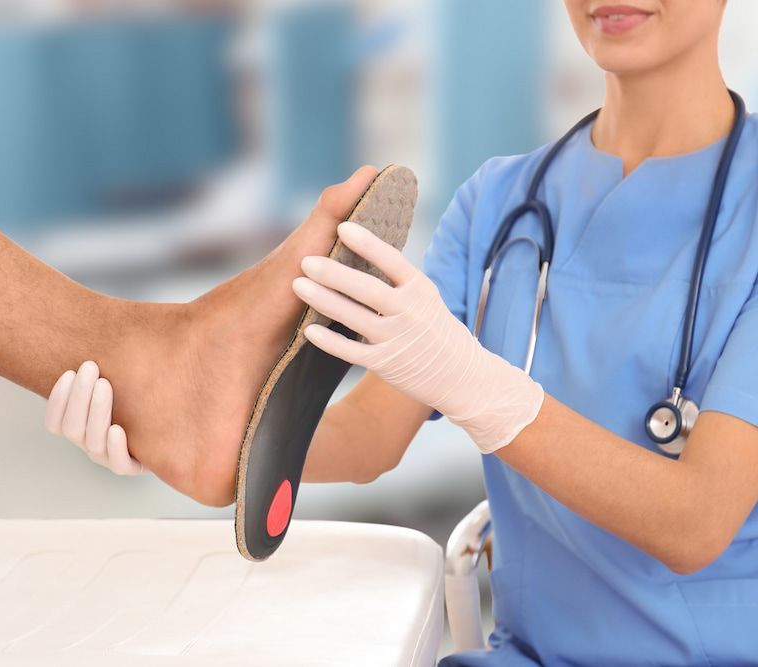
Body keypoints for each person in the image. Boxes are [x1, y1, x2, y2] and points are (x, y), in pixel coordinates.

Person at [57, 1, 758, 663]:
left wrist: (480, 389)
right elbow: (371, 435)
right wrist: (203, 438)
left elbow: (696, 521)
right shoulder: (499, 202)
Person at [0, 32, 382, 508]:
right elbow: (367, 435)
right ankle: (157, 367)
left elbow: (382, 436)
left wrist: (479, 393)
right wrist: (251, 443)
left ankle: (159, 365)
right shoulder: (475, 222)